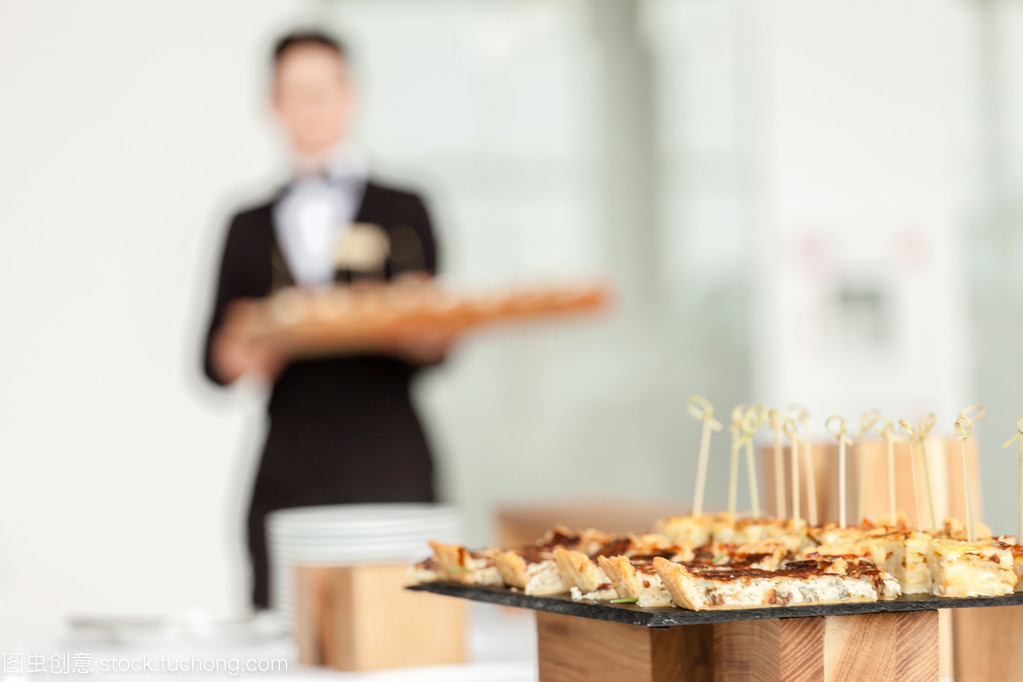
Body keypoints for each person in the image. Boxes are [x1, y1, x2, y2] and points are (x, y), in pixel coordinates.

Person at [202, 30, 448, 609]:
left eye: (323, 89)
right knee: (284, 635)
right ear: (273, 104)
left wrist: (417, 325)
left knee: (407, 630)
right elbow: (212, 364)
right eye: (296, 92)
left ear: (350, 95)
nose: (311, 105)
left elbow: (439, 346)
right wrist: (248, 344)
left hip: (391, 460)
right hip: (292, 461)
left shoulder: (405, 209)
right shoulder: (245, 224)